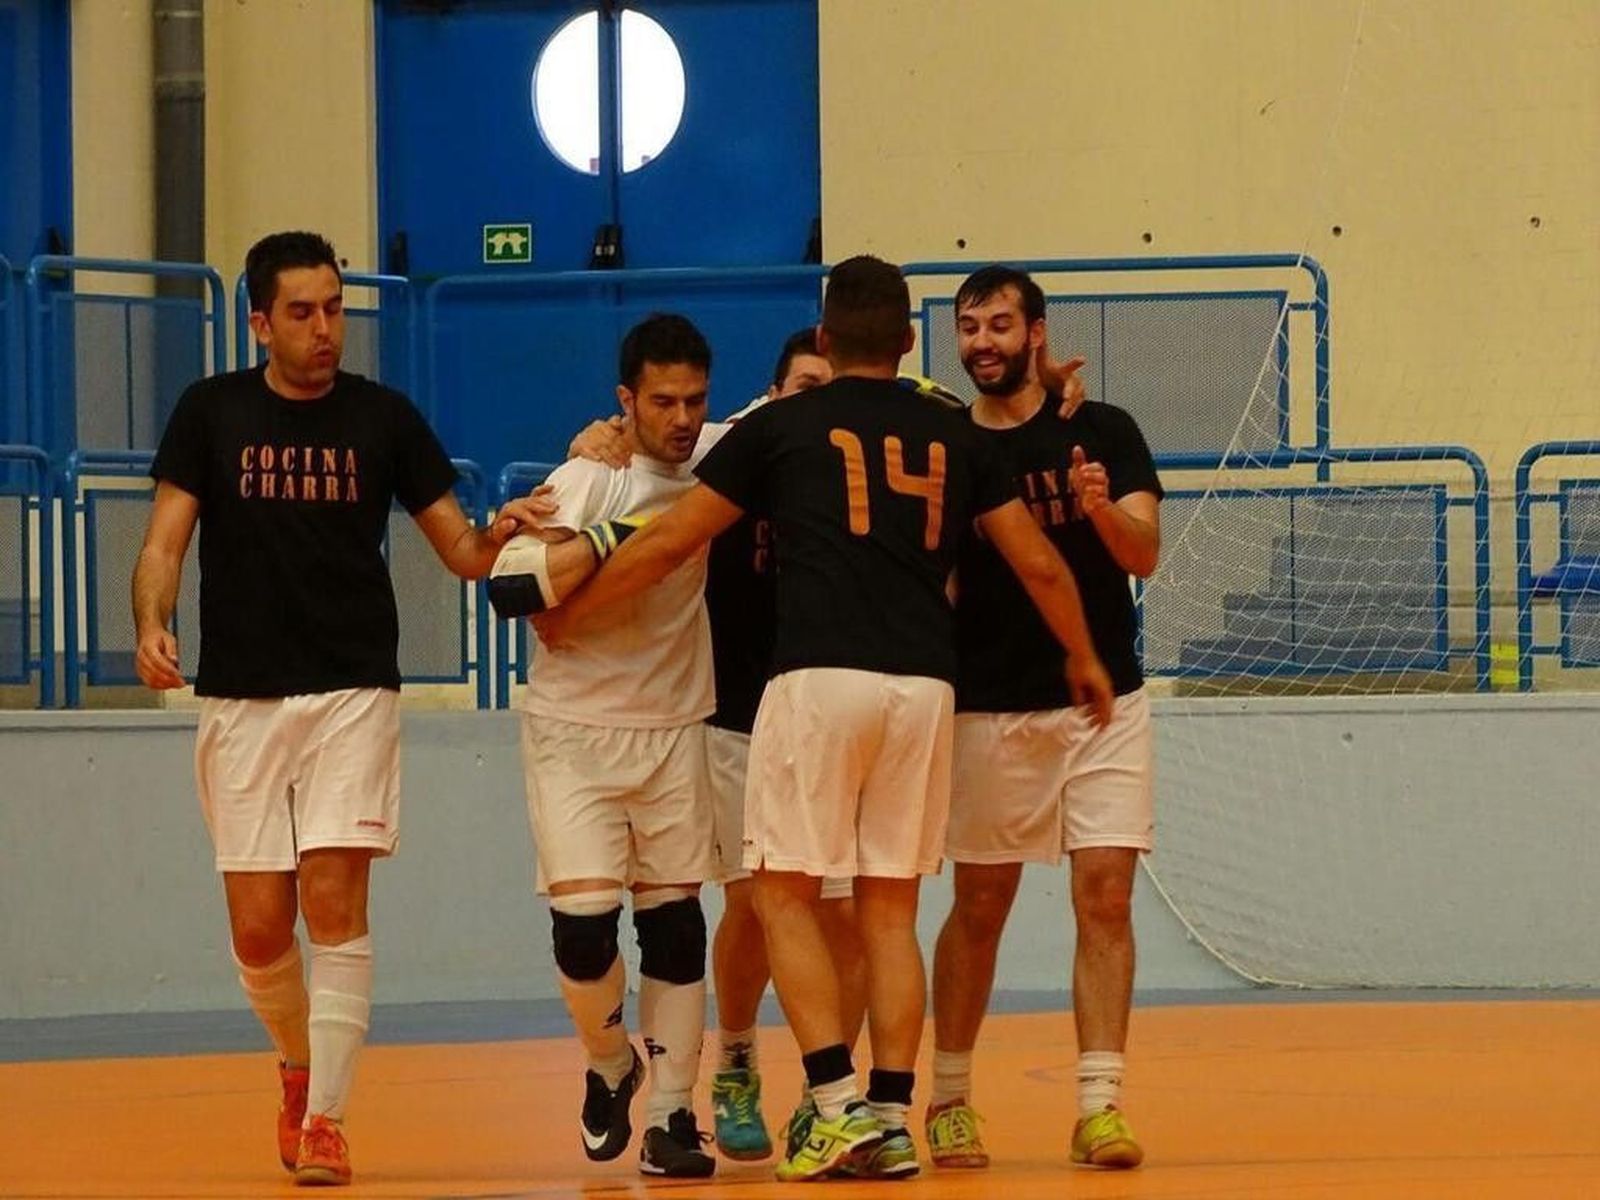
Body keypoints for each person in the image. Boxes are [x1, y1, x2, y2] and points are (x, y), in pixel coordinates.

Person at [533, 255, 1116, 1182]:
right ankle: (890, 1115)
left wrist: (575, 609)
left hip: (818, 679)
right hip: (925, 687)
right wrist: (1085, 656)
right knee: (890, 908)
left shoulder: (787, 428)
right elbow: (1041, 563)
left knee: (783, 893)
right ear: (911, 340)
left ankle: (833, 1106)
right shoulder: (952, 435)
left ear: (828, 337)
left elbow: (675, 536)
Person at [131, 230, 544, 1188]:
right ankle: (297, 1061)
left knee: (333, 902)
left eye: (335, 308)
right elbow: (164, 543)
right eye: (304, 312)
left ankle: (325, 1121)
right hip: (241, 698)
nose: (326, 329)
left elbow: (463, 552)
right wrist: (152, 619)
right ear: (259, 322)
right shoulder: (211, 411)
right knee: (261, 930)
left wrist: (508, 529)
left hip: (354, 688)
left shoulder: (385, 420)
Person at [563, 328, 869, 1164]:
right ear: (771, 392)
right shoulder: (737, 442)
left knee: (847, 913)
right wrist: (602, 434)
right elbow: (648, 444)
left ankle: (824, 1094)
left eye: (830, 386)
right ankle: (732, 1062)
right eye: (802, 384)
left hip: (835, 710)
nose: (816, 399)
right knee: (753, 902)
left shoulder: (865, 453)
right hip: (737, 711)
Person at [925, 265, 1163, 1172]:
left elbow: (1147, 554)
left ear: (1037, 332)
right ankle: (949, 1100)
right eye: (969, 327)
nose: (983, 341)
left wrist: (1100, 510)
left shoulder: (1103, 430)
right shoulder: (945, 447)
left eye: (999, 324)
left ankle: (1100, 1106)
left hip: (1107, 705)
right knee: (979, 904)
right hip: (989, 709)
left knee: (1105, 895)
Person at [488, 313, 720, 1180]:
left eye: (695, 399)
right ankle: (611, 1062)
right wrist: (595, 544)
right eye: (662, 401)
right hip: (575, 732)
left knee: (676, 924)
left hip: (673, 727)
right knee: (584, 934)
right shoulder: (588, 477)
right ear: (626, 401)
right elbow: (510, 589)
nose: (683, 418)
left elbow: (807, 396)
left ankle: (672, 1116)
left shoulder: (720, 458)